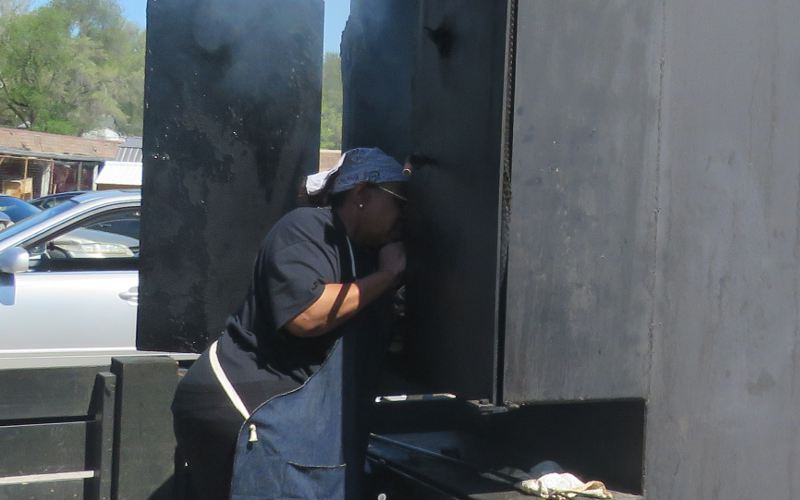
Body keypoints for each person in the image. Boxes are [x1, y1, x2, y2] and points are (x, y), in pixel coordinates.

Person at [172, 147, 410, 500]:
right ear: (363, 195)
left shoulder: (368, 254)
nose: (404, 216)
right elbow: (305, 315)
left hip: (302, 420)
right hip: (244, 404)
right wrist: (388, 276)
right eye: (399, 202)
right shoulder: (307, 229)